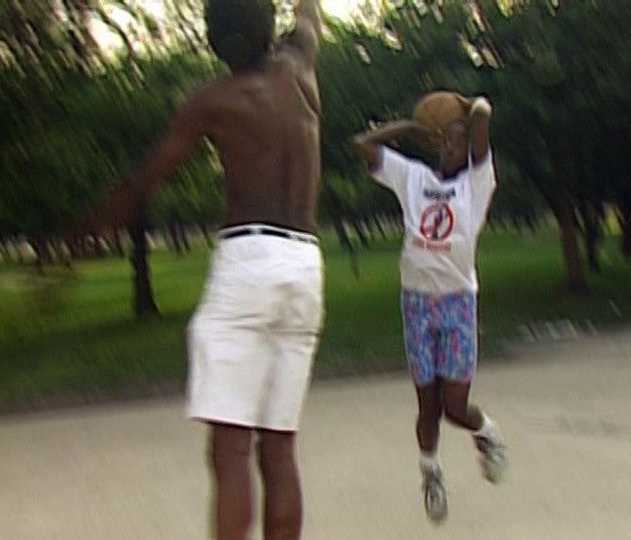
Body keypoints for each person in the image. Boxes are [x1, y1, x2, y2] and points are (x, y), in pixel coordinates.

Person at [92, 0, 324, 538]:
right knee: (278, 447)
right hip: (305, 266)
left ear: (214, 39)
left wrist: (83, 230)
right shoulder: (301, 67)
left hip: (249, 262)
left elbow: (145, 180)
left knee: (230, 450)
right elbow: (310, 15)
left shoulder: (213, 100)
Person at [352, 93, 507, 524]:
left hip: (457, 303)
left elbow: (482, 114)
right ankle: (431, 473)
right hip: (417, 303)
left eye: (459, 140)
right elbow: (361, 144)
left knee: (455, 407)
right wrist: (409, 127)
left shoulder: (476, 184)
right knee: (428, 407)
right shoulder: (414, 177)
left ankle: (487, 433)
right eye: (445, 140)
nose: (451, 146)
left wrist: (466, 105)